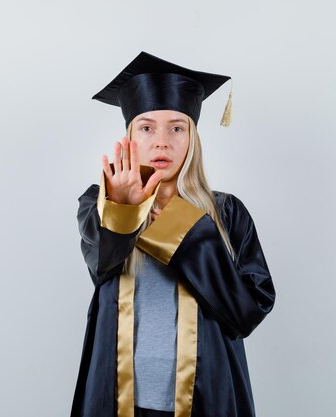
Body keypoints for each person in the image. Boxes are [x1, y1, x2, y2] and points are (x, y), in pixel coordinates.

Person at [70, 52, 276, 417]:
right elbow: (102, 266)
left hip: (205, 395)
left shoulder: (227, 213)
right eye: (147, 127)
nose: (162, 141)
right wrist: (125, 210)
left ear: (193, 137)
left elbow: (247, 312)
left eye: (176, 128)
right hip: (117, 397)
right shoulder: (98, 202)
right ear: (129, 136)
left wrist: (185, 226)